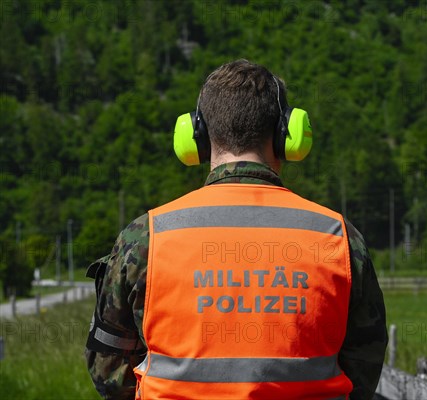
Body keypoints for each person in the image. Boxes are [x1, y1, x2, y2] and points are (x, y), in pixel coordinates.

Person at [85, 59, 387, 400]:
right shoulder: (338, 237)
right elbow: (364, 363)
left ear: (194, 135)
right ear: (287, 133)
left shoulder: (147, 237)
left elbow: (108, 369)